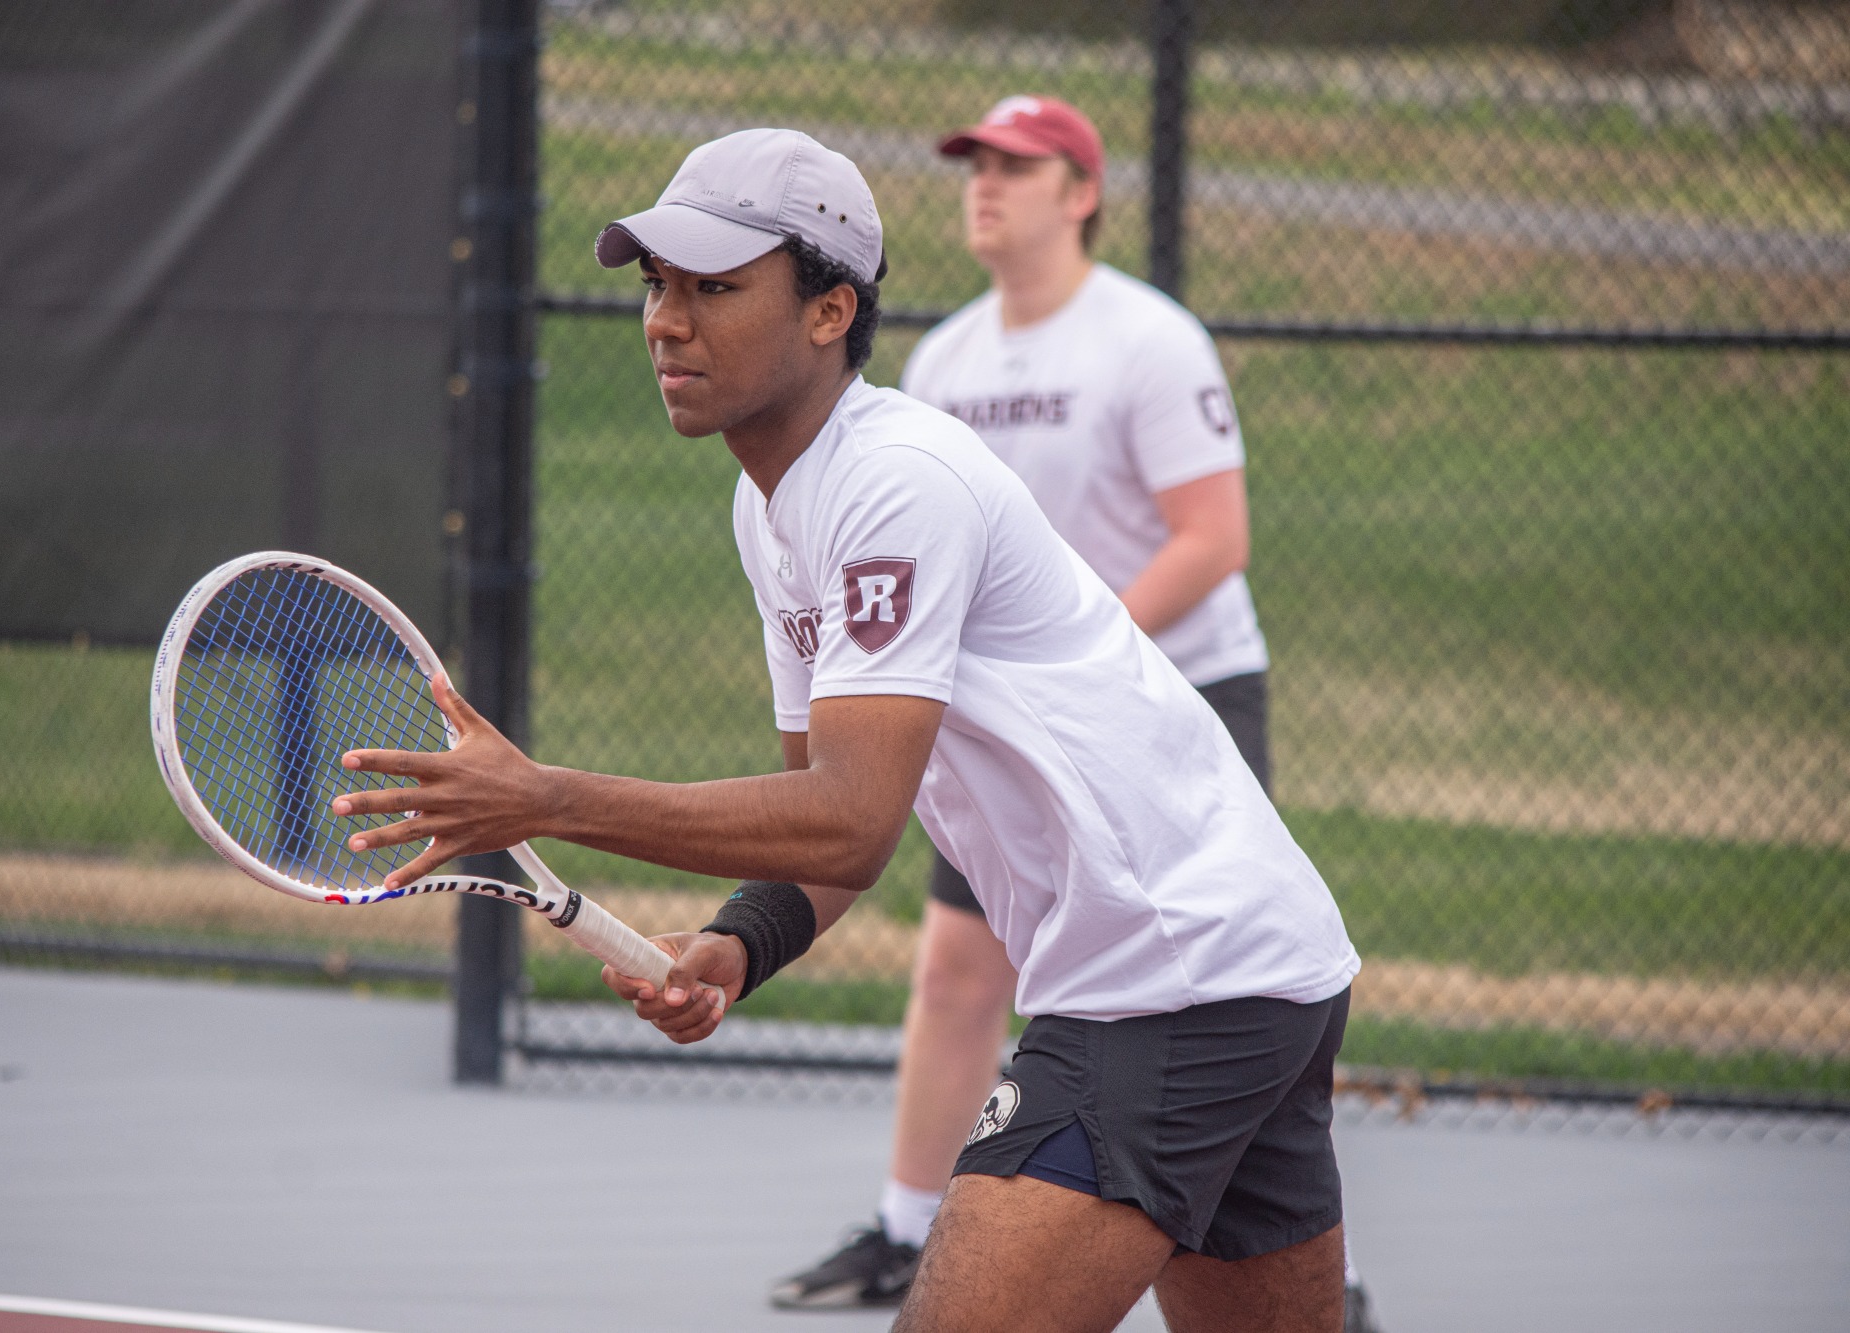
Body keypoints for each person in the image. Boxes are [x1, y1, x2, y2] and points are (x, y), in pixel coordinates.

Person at [330, 127, 1361, 1333]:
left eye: (715, 288)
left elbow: (850, 818)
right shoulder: (769, 502)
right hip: (1250, 966)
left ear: (830, 311)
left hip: (1171, 979)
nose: (665, 321)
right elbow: (819, 832)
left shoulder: (895, 480)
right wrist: (740, 941)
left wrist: (542, 798)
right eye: (657, 284)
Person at [770, 96, 1381, 1332]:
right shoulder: (944, 363)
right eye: (973, 165)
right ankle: (902, 1222)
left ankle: (1315, 1252)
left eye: (1017, 165)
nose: (985, 184)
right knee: (957, 965)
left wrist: (1084, 666)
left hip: (1170, 698)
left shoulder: (1146, 341)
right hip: (1001, 720)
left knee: (1216, 966)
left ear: (1081, 192)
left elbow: (1212, 537)